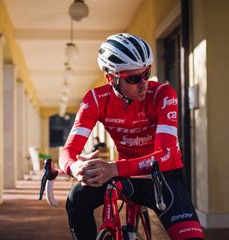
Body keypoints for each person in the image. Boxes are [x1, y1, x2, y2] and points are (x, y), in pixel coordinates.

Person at [59, 33, 205, 240]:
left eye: (147, 73)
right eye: (134, 78)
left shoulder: (163, 94)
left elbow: (166, 154)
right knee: (76, 198)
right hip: (123, 174)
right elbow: (69, 151)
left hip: (162, 176)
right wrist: (75, 167)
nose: (144, 83)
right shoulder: (96, 100)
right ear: (111, 78)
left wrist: (113, 168)